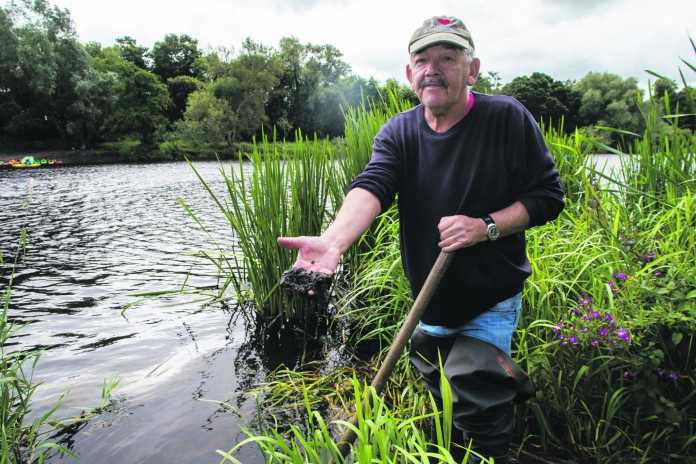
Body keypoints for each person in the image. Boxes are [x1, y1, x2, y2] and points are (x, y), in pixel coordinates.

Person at [278, 15, 564, 463]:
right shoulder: (399, 132)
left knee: (481, 414)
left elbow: (548, 197)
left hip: (489, 299)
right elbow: (372, 185)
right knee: (439, 404)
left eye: (448, 58)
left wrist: (483, 226)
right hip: (427, 304)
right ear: (410, 74)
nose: (434, 68)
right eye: (423, 59)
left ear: (472, 69)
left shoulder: (506, 118)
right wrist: (334, 241)